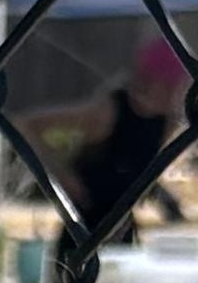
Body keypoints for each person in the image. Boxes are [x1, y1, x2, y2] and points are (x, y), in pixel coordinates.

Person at [66, 34, 191, 240]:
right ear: (150, 80)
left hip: (123, 226)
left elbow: (141, 168)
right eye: (170, 87)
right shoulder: (107, 111)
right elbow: (29, 124)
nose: (174, 95)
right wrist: (61, 175)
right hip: (84, 227)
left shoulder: (166, 121)